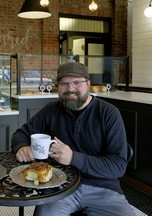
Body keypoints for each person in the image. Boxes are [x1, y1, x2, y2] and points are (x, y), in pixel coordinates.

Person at [11, 62, 136, 216]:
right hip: (60, 187)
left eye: (77, 82)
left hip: (103, 188)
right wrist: (21, 146)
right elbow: (21, 133)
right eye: (64, 83)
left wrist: (73, 158)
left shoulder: (108, 113)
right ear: (58, 86)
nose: (70, 89)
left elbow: (118, 166)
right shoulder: (51, 110)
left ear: (88, 84)